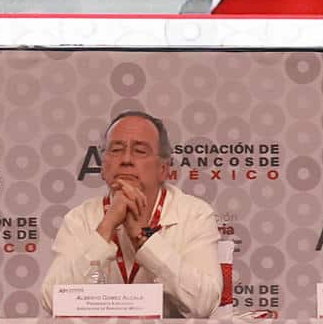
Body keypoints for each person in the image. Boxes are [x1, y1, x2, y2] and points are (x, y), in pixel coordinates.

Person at [41, 111, 220, 318]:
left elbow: (204, 304)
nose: (126, 159)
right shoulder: (80, 219)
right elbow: (53, 301)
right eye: (116, 150)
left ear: (163, 169)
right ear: (103, 166)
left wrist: (144, 238)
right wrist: (106, 228)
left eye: (140, 151)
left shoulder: (195, 215)